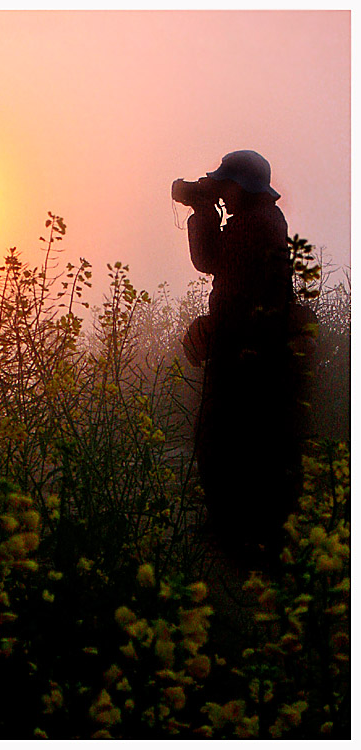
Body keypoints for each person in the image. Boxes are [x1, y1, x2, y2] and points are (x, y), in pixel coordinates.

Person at [172, 150, 310, 564]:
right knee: (244, 449)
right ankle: (250, 536)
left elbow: (208, 260)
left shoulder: (256, 226)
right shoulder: (261, 222)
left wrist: (201, 209)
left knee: (227, 447)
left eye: (225, 185)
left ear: (242, 189)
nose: (221, 194)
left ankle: (239, 542)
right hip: (252, 353)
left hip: (248, 358)